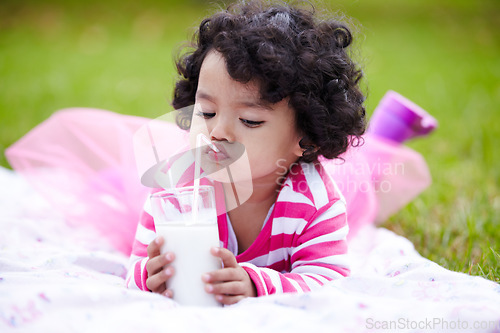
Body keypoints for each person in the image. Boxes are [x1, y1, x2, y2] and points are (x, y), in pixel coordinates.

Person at [125, 0, 366, 305]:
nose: (218, 132)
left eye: (250, 121)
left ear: (307, 136)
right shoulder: (175, 190)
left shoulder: (315, 204)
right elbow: (135, 266)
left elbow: (329, 279)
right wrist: (149, 275)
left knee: (367, 198)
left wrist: (255, 284)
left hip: (333, 192)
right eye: (207, 112)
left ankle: (389, 133)